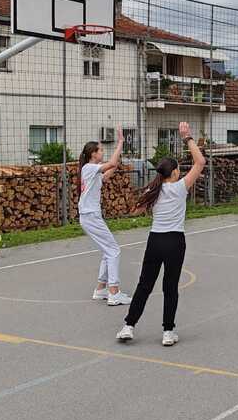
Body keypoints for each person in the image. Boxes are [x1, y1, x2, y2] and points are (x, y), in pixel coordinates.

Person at [117, 122, 206, 346]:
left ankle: (128, 326)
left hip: (155, 240)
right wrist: (187, 137)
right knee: (170, 287)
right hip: (174, 241)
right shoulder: (180, 187)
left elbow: (135, 210)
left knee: (144, 285)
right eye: (178, 169)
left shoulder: (153, 189)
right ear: (174, 172)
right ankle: (168, 332)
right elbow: (200, 162)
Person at [79, 128, 131, 305]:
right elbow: (111, 163)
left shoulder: (93, 172)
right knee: (114, 251)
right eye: (100, 150)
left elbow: (109, 171)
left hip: (89, 216)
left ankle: (101, 289)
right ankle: (114, 292)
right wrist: (120, 142)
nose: (102, 152)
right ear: (93, 154)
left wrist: (117, 157)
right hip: (90, 216)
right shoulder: (89, 168)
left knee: (107, 251)